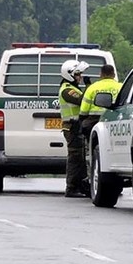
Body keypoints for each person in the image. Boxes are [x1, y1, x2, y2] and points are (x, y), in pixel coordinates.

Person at [58, 59, 90, 198]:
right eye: (78, 74)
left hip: (77, 127)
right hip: (72, 128)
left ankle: (81, 186)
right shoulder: (67, 90)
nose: (80, 77)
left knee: (81, 158)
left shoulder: (72, 87)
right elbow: (83, 99)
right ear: (70, 74)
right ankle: (71, 187)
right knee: (75, 158)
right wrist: (89, 86)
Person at [79, 64, 123, 138]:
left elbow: (84, 110)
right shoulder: (121, 87)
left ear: (101, 74)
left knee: (85, 129)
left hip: (95, 120)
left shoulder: (92, 88)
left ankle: (89, 147)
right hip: (116, 119)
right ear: (114, 75)